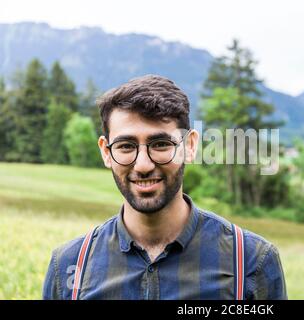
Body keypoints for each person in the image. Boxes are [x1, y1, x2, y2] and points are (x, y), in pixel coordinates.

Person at [42, 75, 287, 300]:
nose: (143, 165)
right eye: (126, 146)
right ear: (106, 153)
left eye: (160, 144)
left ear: (190, 146)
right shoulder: (68, 266)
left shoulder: (252, 262)